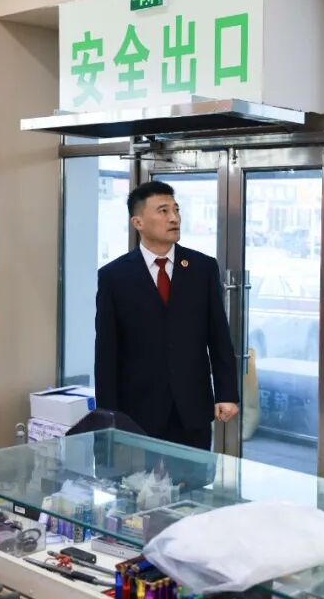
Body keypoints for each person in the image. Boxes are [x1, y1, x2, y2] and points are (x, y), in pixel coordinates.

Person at [95, 181, 239, 450]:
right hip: (137, 411)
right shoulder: (114, 276)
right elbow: (106, 353)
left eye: (176, 209)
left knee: (194, 477)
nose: (174, 218)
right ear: (138, 222)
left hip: (192, 408)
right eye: (163, 211)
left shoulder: (202, 268)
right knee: (138, 478)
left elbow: (218, 336)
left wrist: (227, 393)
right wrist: (107, 416)